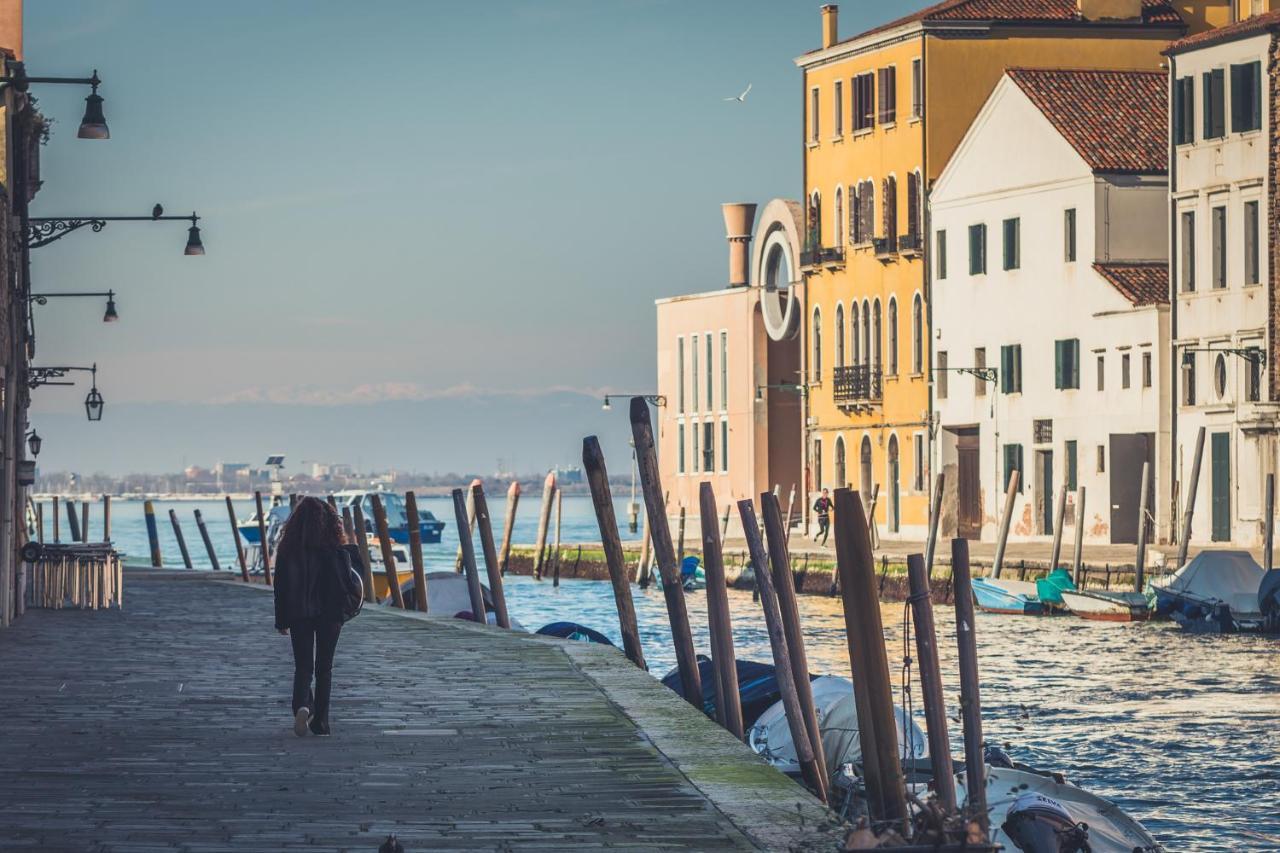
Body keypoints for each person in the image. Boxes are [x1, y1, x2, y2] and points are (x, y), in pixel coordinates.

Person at [273, 496, 360, 736]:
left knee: (303, 666)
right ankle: (321, 722)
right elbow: (347, 583)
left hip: (299, 613)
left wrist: (282, 621)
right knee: (325, 668)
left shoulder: (287, 550)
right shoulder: (335, 549)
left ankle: (302, 705)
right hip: (330, 615)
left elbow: (280, 588)